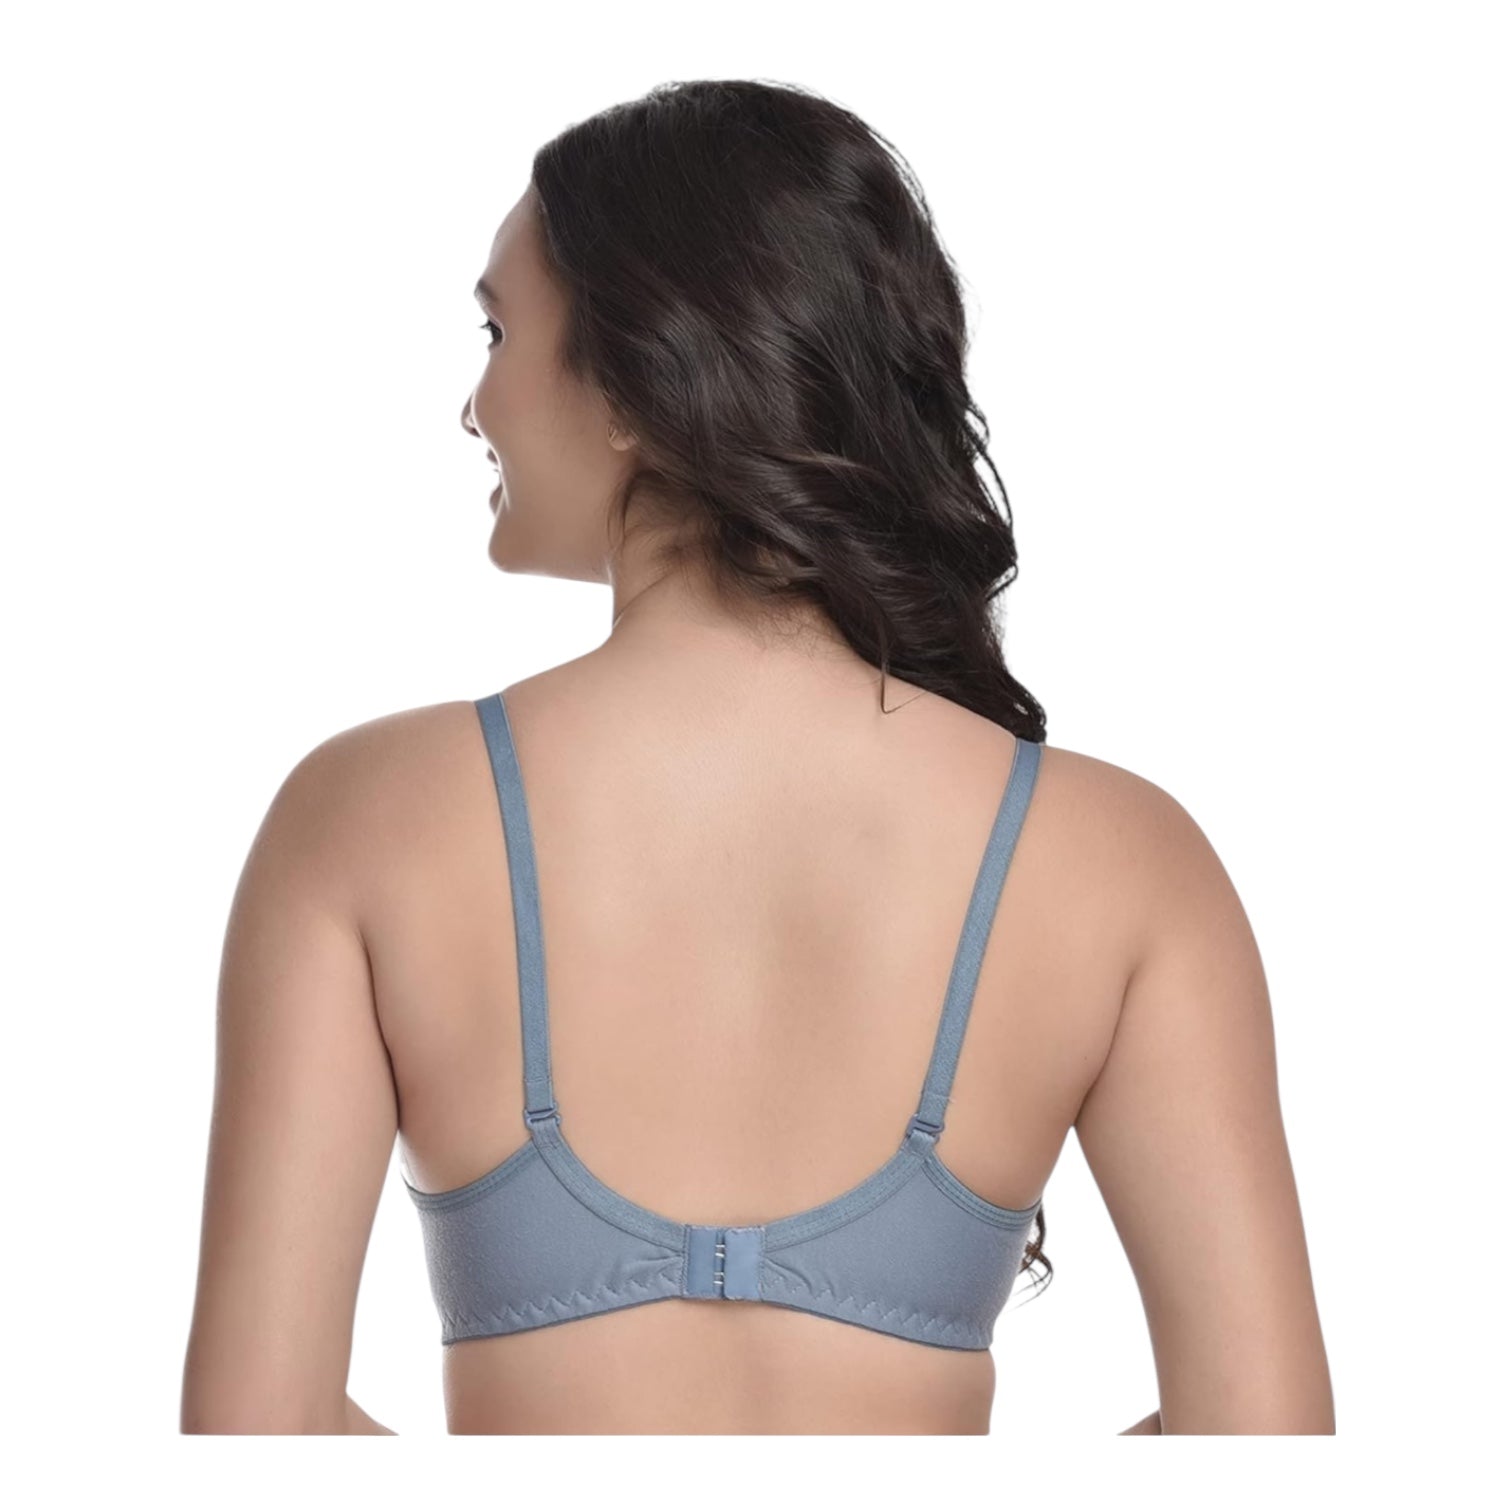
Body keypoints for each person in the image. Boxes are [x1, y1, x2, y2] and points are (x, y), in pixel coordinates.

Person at [180, 79, 1333, 1436]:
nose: (471, 405)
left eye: (497, 332)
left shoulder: (365, 818)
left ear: (634, 381)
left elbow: (253, 1442)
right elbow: (1266, 1452)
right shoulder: (1122, 861)